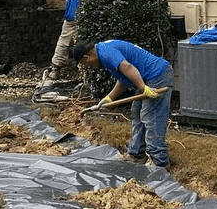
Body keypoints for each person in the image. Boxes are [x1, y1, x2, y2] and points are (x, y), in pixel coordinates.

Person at [72, 38, 174, 168]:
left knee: (151, 117)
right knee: (137, 114)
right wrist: (108, 98)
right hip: (147, 78)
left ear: (86, 57)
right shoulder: (104, 52)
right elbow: (124, 79)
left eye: (86, 64)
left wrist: (143, 88)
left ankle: (160, 162)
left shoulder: (106, 52)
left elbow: (127, 67)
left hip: (158, 75)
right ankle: (137, 154)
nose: (89, 67)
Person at [43, 0, 109, 83]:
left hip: (69, 15)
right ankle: (87, 72)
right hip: (82, 14)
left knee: (63, 42)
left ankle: (55, 70)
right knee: (86, 40)